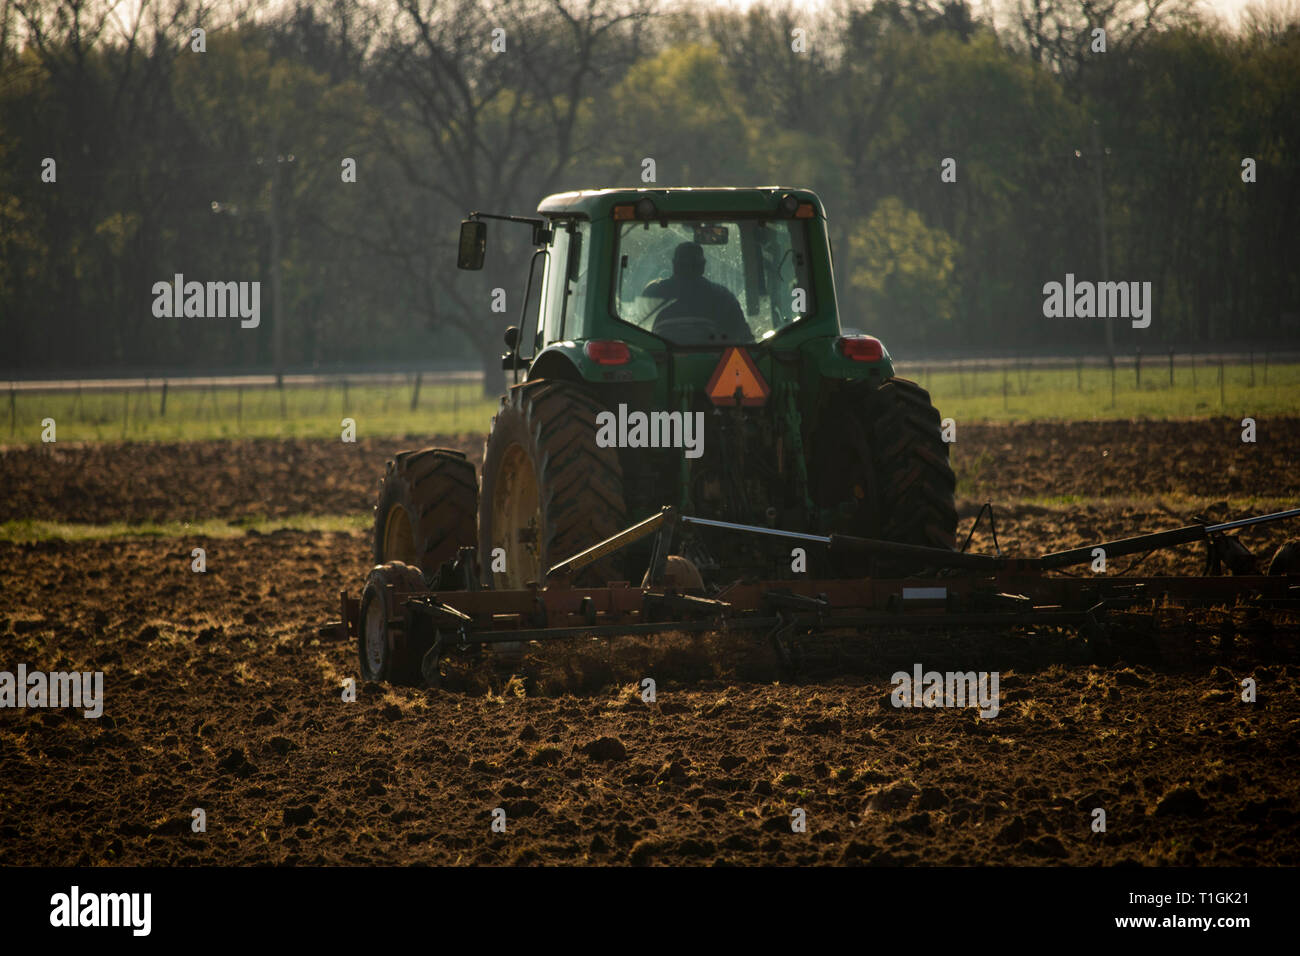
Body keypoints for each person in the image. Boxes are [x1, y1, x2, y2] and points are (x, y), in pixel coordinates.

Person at [642, 241, 751, 342]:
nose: (689, 268)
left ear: (674, 264)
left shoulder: (652, 293)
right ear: (703, 265)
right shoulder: (722, 296)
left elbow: (639, 334)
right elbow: (742, 337)